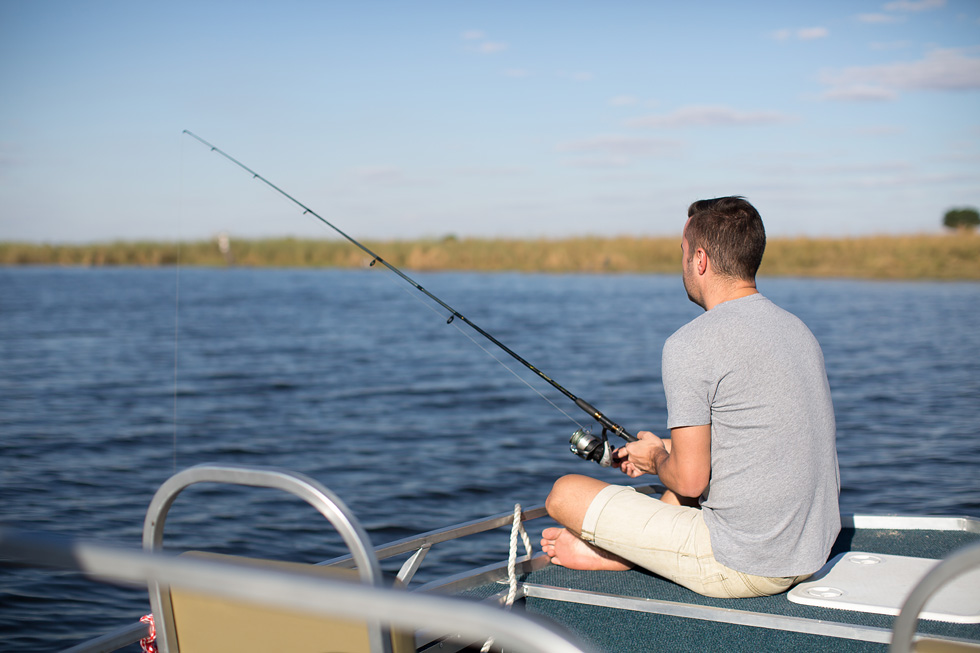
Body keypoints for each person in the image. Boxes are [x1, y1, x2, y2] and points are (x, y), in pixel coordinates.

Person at [540, 196, 840, 599]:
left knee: (565, 493)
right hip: (812, 550)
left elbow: (690, 479)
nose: (681, 264)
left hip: (746, 563)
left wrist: (659, 460)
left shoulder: (691, 343)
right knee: (678, 477)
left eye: (682, 253)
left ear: (700, 259)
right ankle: (636, 548)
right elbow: (756, 440)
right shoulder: (796, 330)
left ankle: (620, 555)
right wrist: (660, 449)